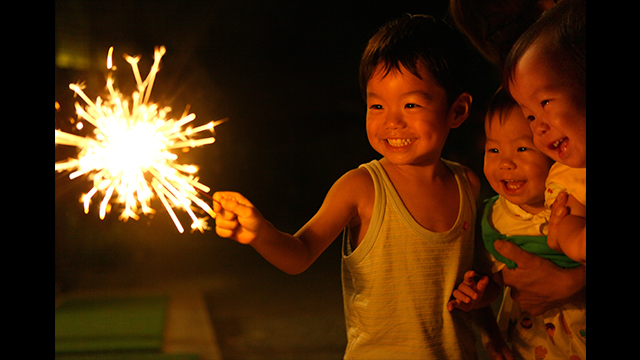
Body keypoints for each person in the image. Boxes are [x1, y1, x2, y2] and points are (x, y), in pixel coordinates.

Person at [212, 14, 492, 359]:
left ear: (457, 110)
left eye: (411, 104)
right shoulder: (361, 187)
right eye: (377, 105)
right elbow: (299, 255)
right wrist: (260, 233)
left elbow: (479, 276)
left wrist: (482, 304)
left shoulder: (468, 184)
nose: (391, 120)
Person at [448, 88, 586, 359]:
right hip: (530, 347)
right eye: (494, 149)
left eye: (522, 148)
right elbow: (498, 282)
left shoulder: (573, 198)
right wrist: (478, 295)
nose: (506, 163)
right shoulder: (494, 220)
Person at [503, 0, 585, 265]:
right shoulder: (569, 178)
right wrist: (573, 240)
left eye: (545, 103)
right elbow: (569, 227)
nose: (538, 126)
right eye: (530, 116)